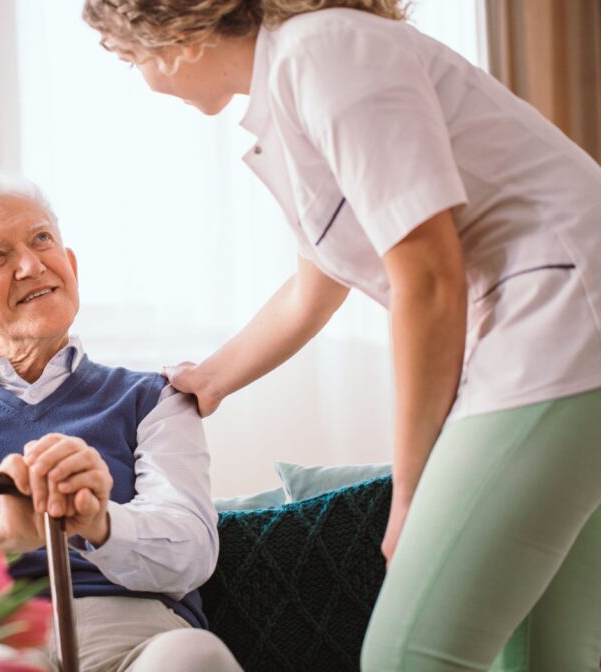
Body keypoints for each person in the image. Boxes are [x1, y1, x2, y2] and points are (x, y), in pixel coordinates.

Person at [81, 1, 601, 670]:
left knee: (409, 654)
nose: (144, 79)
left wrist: (414, 487)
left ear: (169, 40)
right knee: (545, 657)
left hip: (562, 325)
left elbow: (429, 278)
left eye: (131, 59)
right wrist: (209, 380)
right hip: (562, 335)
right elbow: (313, 288)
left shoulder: (321, 55)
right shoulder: (295, 88)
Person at [0, 171, 242, 672]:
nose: (30, 265)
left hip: (132, 632)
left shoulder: (157, 398)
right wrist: (0, 532)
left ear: (72, 267)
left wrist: (99, 523)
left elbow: (192, 548)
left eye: (42, 239)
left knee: (195, 657)